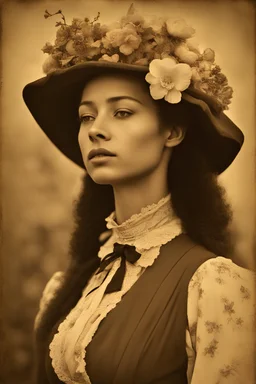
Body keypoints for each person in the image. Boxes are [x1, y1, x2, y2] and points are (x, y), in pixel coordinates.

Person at [22, 4, 255, 384]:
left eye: (123, 113)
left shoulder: (214, 285)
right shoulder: (68, 288)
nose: (96, 130)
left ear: (172, 133)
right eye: (86, 116)